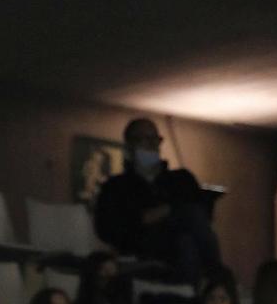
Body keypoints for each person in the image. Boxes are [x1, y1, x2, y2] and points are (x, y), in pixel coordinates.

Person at [94, 118, 220, 279]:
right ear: (129, 144)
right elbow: (107, 229)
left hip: (183, 249)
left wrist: (170, 210)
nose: (151, 145)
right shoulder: (115, 187)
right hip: (143, 251)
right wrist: (145, 218)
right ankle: (217, 276)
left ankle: (213, 278)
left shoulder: (181, 179)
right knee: (186, 234)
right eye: (143, 139)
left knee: (187, 238)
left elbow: (202, 215)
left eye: (154, 139)